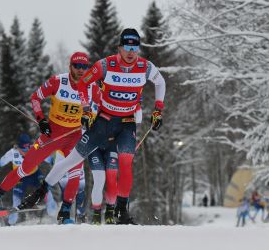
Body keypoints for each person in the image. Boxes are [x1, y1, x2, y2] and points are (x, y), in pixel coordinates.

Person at [18, 28, 166, 225]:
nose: (131, 52)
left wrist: (158, 110)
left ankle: (121, 212)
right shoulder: (106, 65)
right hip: (103, 121)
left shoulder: (145, 67)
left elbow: (161, 82)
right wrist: (87, 110)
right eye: (127, 47)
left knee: (125, 163)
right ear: (119, 48)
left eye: (135, 47)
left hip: (126, 123)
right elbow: (82, 84)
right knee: (72, 159)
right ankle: (41, 191)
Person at [0, 52, 101, 224]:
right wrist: (41, 120)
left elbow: (103, 107)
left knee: (75, 173)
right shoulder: (58, 81)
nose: (81, 70)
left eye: (84, 67)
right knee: (26, 166)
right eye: (77, 66)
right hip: (53, 133)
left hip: (74, 136)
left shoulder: (92, 87)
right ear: (70, 66)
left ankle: (64, 213)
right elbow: (35, 98)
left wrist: (95, 119)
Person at [0, 134, 58, 225]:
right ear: (18, 147)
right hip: (20, 177)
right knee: (16, 199)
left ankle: (53, 212)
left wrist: (56, 163)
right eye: (23, 150)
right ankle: (11, 221)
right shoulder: (12, 153)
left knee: (46, 189)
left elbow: (46, 156)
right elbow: (0, 163)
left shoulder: (34, 147)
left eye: (27, 149)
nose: (26, 152)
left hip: (34, 174)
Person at [90, 108, 142, 225]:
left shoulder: (122, 101)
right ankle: (96, 214)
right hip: (95, 147)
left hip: (111, 146)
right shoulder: (93, 97)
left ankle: (110, 212)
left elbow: (137, 119)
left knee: (111, 177)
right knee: (99, 178)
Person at [47, 150, 87, 224]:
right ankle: (61, 218)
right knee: (64, 194)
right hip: (63, 174)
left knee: (79, 192)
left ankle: (80, 216)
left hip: (77, 165)